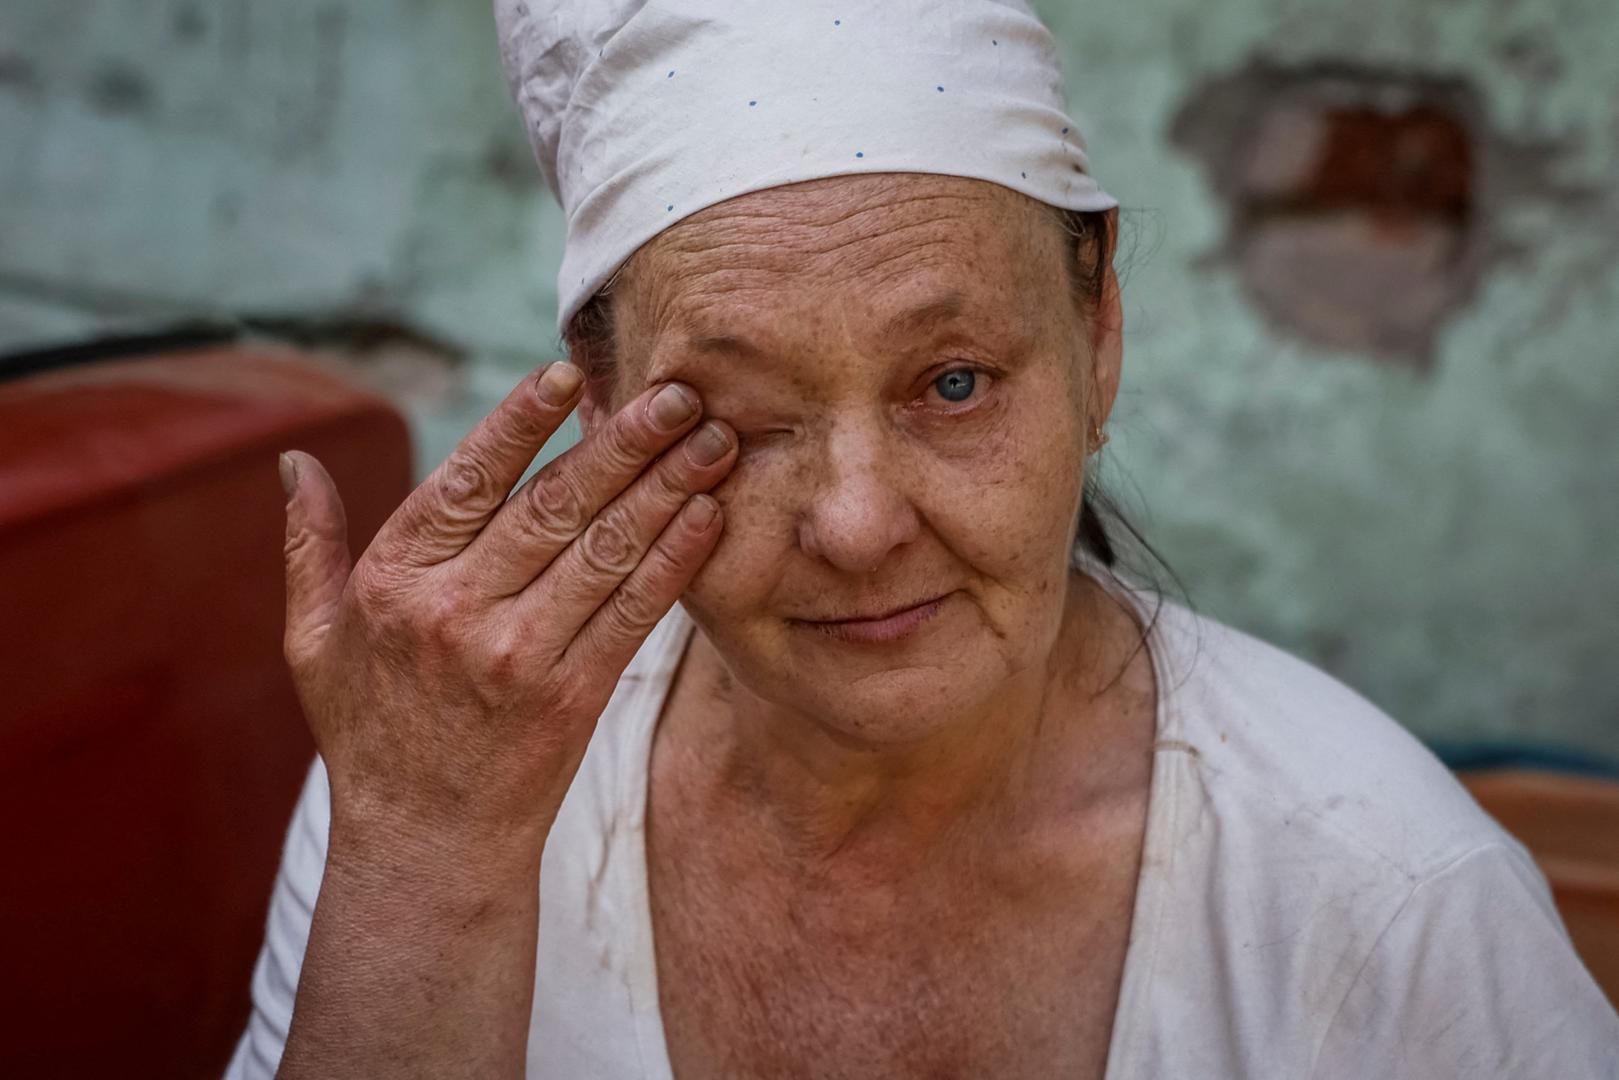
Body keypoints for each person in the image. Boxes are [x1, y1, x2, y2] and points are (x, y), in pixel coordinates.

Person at [228, 2, 1619, 1077]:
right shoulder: (456, 791)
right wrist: (424, 864)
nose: (855, 523)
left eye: (953, 383)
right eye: (737, 413)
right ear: (601, 413)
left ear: (1098, 340)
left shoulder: (1383, 904)